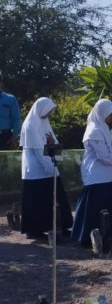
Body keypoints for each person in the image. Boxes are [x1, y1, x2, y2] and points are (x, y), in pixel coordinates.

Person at [71, 99, 112, 245]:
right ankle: (87, 237)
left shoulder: (105, 128)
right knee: (93, 209)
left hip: (110, 175)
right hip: (98, 176)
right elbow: (103, 156)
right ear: (102, 113)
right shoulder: (94, 130)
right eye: (110, 114)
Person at [19, 97, 73, 239]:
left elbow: (54, 143)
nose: (49, 114)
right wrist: (51, 168)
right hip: (36, 170)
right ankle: (34, 230)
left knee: (55, 199)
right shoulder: (30, 124)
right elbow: (38, 151)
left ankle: (59, 226)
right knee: (37, 202)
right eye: (48, 110)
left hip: (49, 166)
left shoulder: (44, 122)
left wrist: (51, 143)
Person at [0, 80, 21, 149]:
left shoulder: (10, 99)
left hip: (4, 137)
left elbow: (16, 118)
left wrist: (15, 136)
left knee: (3, 159)